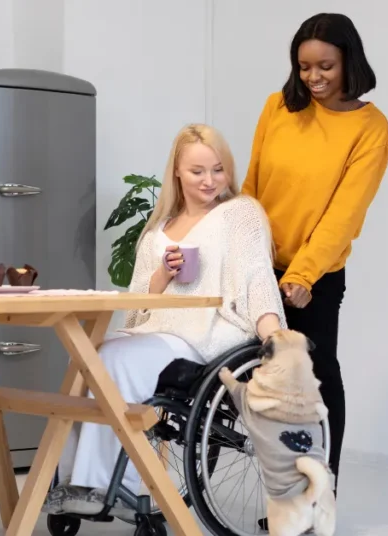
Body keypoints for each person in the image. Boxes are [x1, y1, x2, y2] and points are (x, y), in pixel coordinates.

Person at [43, 123, 286, 516]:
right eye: (197, 171)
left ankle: (105, 486)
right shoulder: (159, 230)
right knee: (86, 356)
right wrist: (162, 275)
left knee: (115, 359)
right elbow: (139, 306)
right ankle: (70, 482)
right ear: (176, 171)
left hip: (209, 333)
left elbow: (256, 277)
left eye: (218, 170)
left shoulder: (240, 213)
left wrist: (274, 335)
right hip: (157, 330)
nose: (210, 180)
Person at [242, 13, 388, 491]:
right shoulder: (277, 107)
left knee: (315, 378)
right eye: (304, 66)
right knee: (240, 372)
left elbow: (344, 214)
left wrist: (302, 275)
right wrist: (238, 247)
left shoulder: (370, 128)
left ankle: (317, 492)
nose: (314, 77)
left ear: (349, 61)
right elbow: (252, 186)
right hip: (256, 264)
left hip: (314, 276)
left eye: (325, 66)